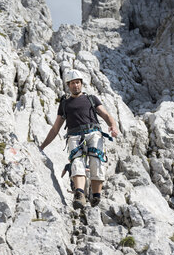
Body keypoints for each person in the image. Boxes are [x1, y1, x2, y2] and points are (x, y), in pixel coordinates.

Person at [40, 69, 118, 210]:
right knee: (77, 162)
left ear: (81, 84)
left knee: (97, 161)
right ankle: (80, 195)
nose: (75, 85)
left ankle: (96, 195)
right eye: (72, 83)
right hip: (74, 136)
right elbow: (55, 128)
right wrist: (43, 146)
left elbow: (105, 114)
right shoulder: (65, 104)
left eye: (77, 82)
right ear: (68, 85)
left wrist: (112, 126)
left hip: (94, 133)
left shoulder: (91, 99)